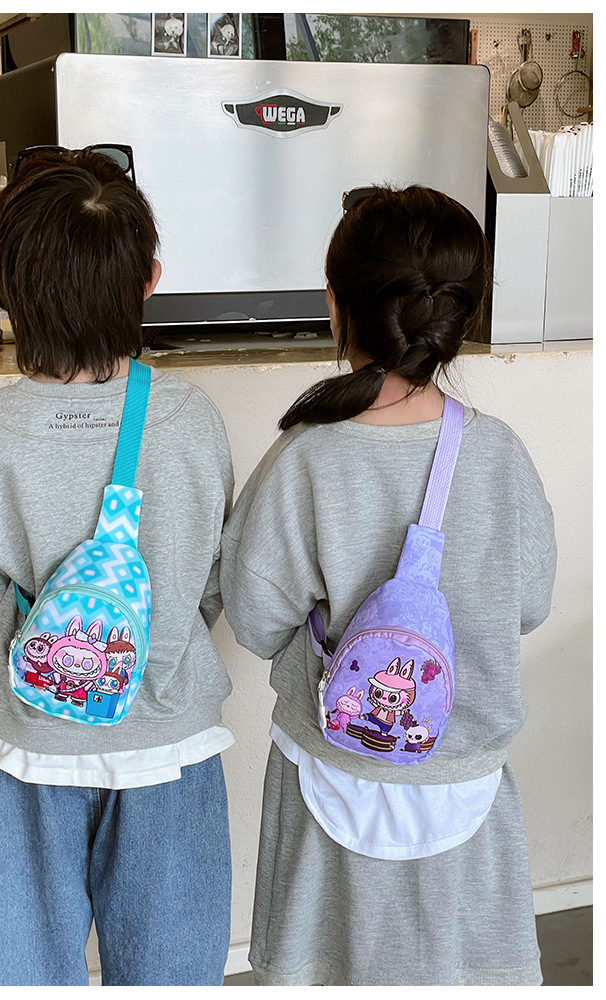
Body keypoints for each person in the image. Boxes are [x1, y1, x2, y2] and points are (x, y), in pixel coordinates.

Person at [220, 185, 556, 987]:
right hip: (465, 782)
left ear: (336, 305)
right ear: (462, 315)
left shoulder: (304, 459)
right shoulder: (501, 455)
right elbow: (531, 605)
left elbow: (256, 619)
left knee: (321, 970)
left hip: (328, 778)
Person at [0, 147, 235, 986]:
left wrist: (42, 667)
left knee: (20, 966)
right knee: (171, 967)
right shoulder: (190, 419)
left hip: (29, 745)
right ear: (148, 283)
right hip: (167, 740)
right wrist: (149, 657)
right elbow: (211, 581)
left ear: (8, 292)